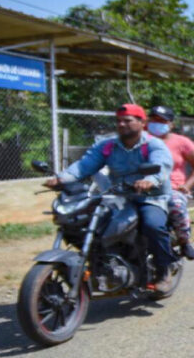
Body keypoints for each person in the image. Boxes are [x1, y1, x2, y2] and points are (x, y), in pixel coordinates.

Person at [44, 103, 178, 289]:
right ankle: (102, 263)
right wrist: (60, 179)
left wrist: (150, 180)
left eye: (127, 120)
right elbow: (84, 166)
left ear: (142, 122)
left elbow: (161, 166)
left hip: (150, 197)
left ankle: (163, 270)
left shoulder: (154, 145)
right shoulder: (106, 146)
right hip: (117, 197)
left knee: (152, 225)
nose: (122, 124)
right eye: (118, 121)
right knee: (88, 222)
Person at [147, 105, 194, 260]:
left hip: (172, 189)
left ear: (171, 124)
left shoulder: (182, 142)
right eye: (153, 120)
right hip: (143, 187)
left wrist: (186, 186)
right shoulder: (140, 141)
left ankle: (184, 241)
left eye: (162, 121)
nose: (156, 123)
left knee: (176, 205)